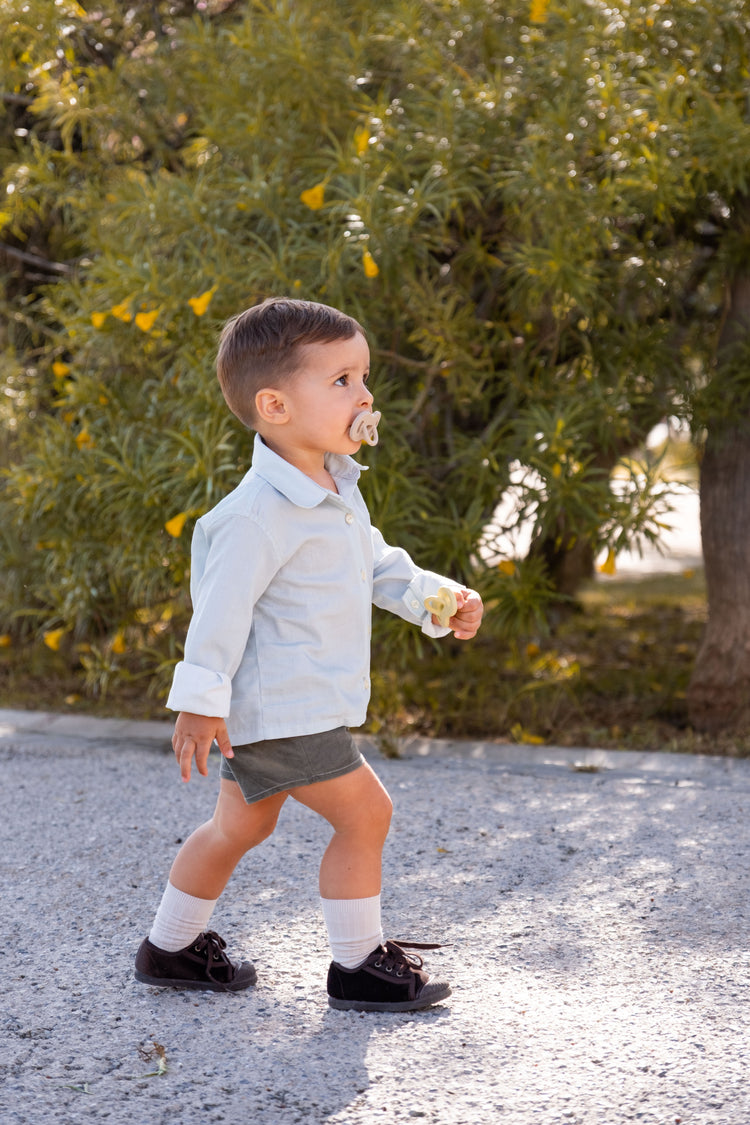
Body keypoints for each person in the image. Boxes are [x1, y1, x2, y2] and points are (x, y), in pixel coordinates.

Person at [134, 296, 484, 1012]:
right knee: (365, 814)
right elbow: (219, 611)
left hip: (282, 709)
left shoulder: (333, 487)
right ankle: (358, 962)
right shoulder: (256, 514)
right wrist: (199, 700)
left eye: (363, 377)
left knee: (240, 825)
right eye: (343, 380)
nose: (365, 396)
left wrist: (436, 600)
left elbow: (377, 564)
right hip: (282, 711)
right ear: (275, 405)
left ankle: (168, 947)